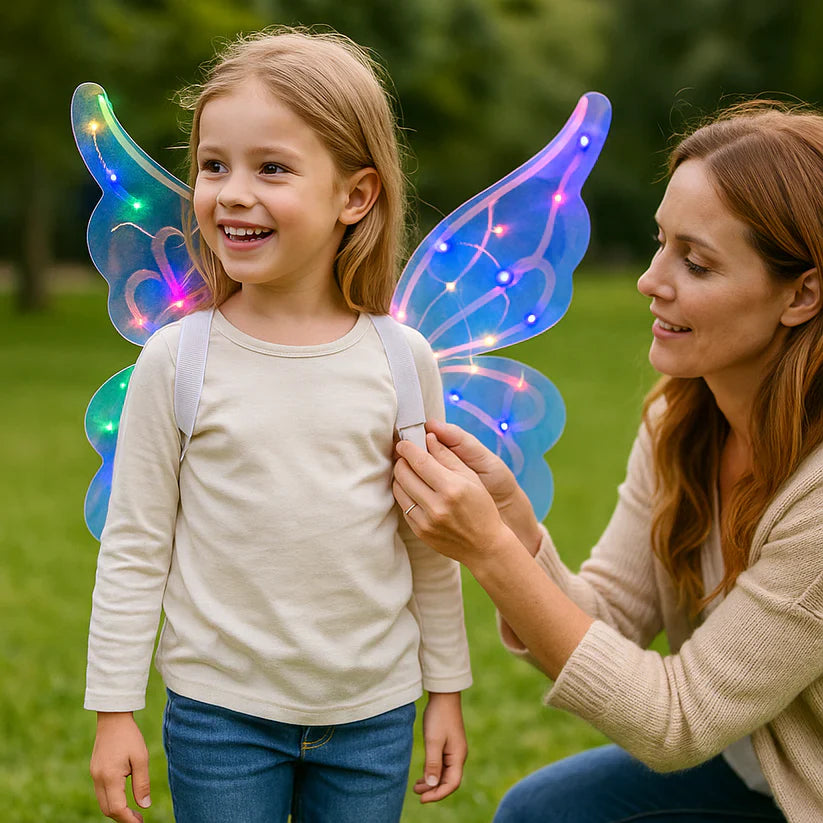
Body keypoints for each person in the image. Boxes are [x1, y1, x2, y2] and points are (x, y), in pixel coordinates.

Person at [393, 100, 823, 823]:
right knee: (542, 811)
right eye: (660, 243)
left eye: (695, 261)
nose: (650, 280)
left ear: (801, 292)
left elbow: (676, 720)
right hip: (754, 776)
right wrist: (518, 531)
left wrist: (492, 552)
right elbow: (609, 620)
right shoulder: (680, 423)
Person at [85, 28, 471, 823]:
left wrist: (445, 689)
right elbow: (134, 544)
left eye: (272, 168)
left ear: (355, 196)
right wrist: (114, 708)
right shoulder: (179, 359)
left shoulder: (403, 361)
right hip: (219, 715)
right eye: (214, 165)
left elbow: (429, 544)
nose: (231, 192)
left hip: (372, 714)